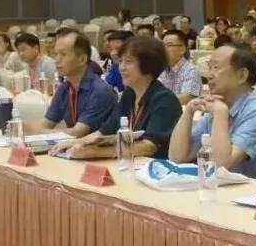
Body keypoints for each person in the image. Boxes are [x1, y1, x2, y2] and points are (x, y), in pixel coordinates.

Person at [169, 44, 256, 183]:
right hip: (238, 189)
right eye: (209, 67)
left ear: (242, 76)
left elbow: (221, 164)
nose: (209, 75)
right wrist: (188, 112)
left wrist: (220, 113)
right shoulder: (219, 105)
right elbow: (177, 157)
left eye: (216, 68)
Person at [51, 37, 182, 159]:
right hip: (129, 164)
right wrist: (76, 142)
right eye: (120, 61)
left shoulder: (165, 100)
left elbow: (148, 146)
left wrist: (96, 152)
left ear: (148, 64)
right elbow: (104, 131)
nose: (122, 67)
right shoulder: (129, 95)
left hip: (155, 168)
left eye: (128, 62)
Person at [25, 32, 116, 138]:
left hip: (99, 147)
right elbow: (46, 123)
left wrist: (35, 131)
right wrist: (24, 127)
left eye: (63, 54)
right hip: (73, 146)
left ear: (82, 59)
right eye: (56, 54)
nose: (57, 60)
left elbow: (78, 132)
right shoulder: (65, 88)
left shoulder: (99, 91)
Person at [159, 29, 202, 105]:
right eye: (162, 46)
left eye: (169, 45)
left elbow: (186, 98)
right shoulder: (161, 70)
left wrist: (157, 101)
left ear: (182, 49)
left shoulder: (191, 70)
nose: (163, 49)